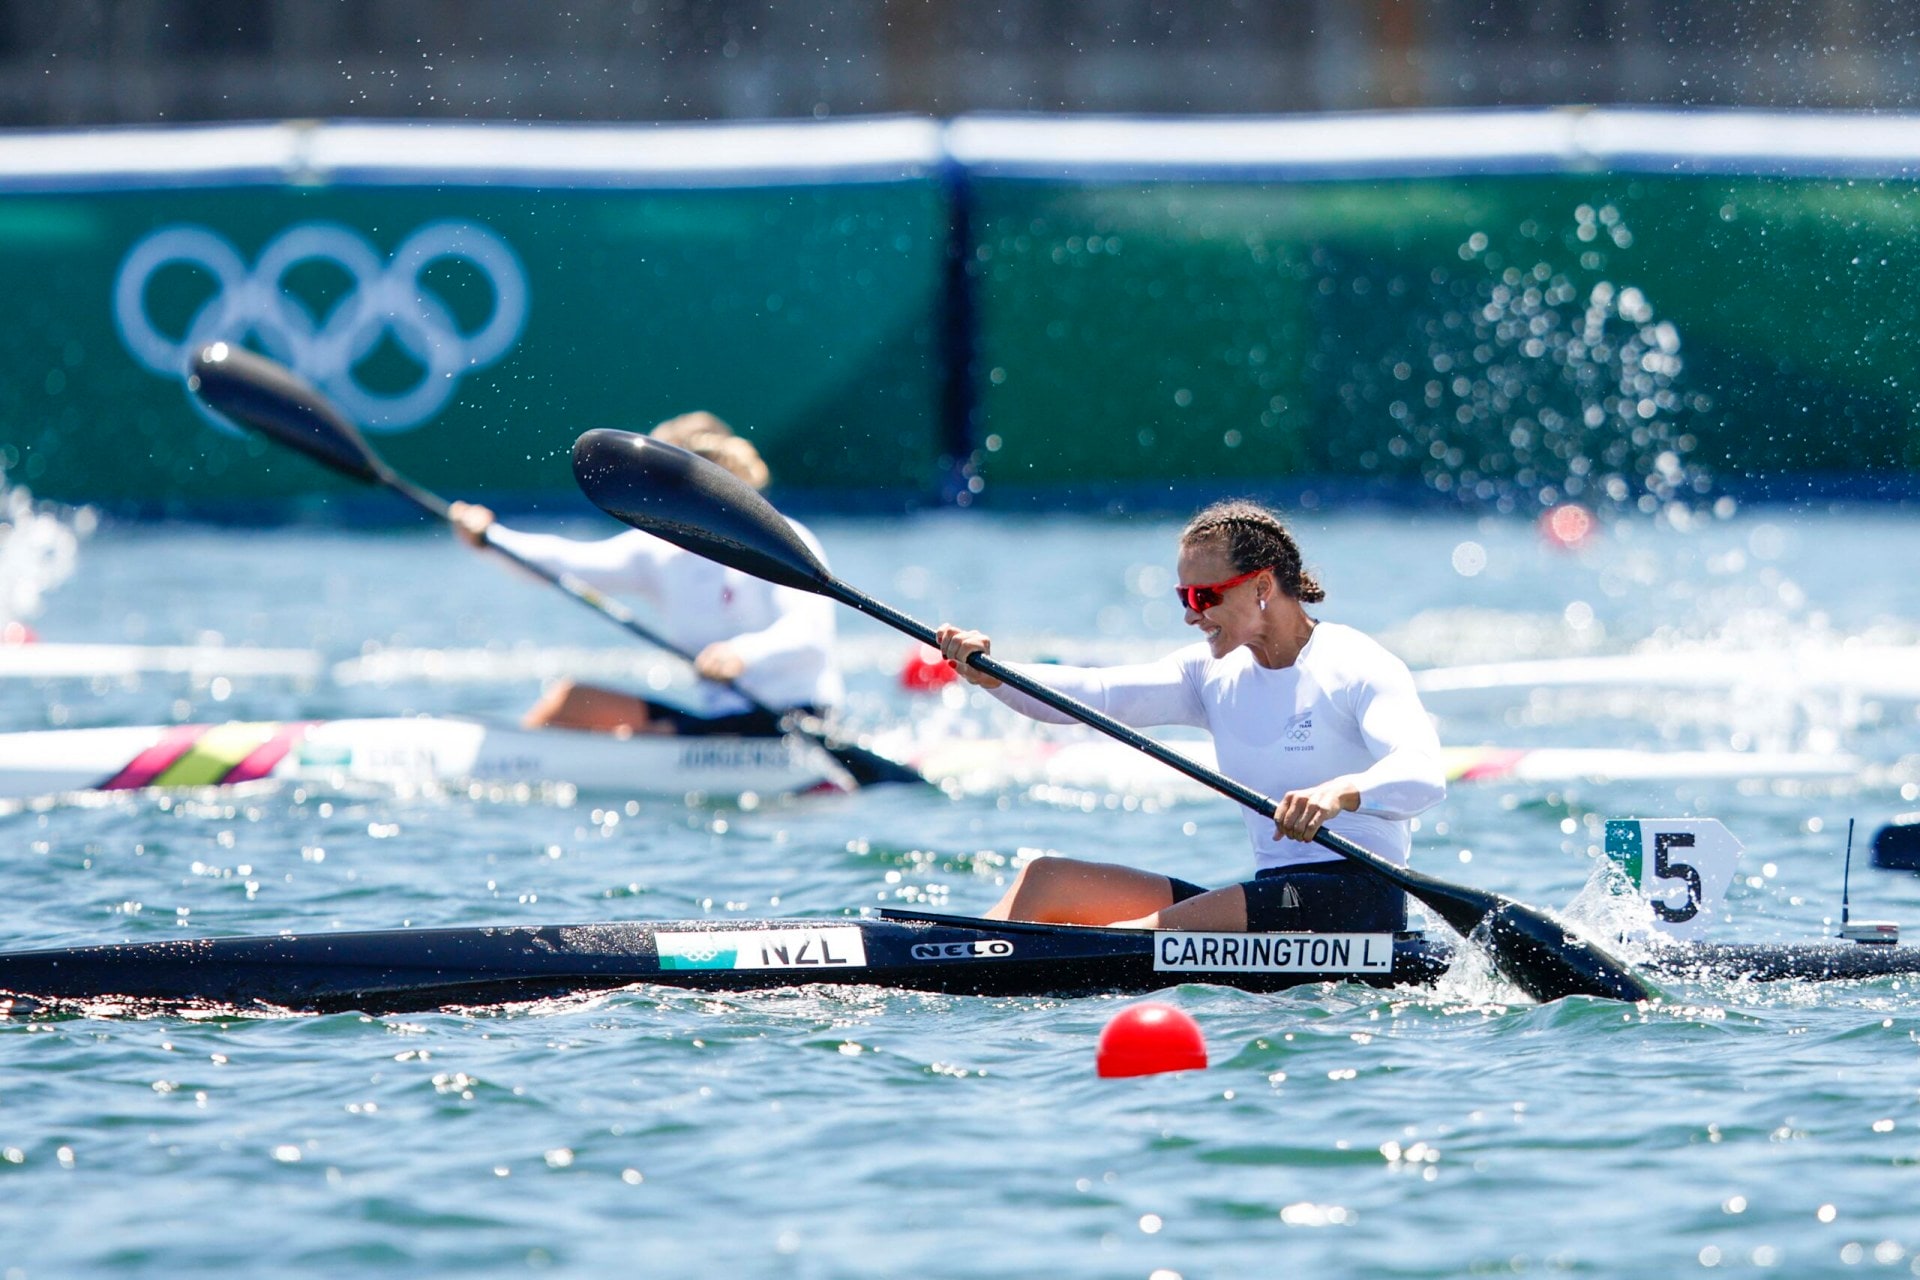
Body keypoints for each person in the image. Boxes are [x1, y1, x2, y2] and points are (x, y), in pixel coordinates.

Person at [934, 499, 1445, 933]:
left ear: (1262, 587)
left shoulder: (1356, 665)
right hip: (1273, 898)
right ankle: (944, 961)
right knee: (1047, 879)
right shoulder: (1209, 675)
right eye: (1184, 597)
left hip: (1357, 902)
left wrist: (1340, 793)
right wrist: (992, 673)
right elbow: (1095, 694)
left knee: (1131, 937)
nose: (1190, 614)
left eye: (1205, 596)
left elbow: (1423, 774)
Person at [449, 412, 844, 736]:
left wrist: (742, 655)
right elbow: (567, 564)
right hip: (724, 724)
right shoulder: (660, 552)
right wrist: (490, 537)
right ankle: (521, 759)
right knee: (573, 701)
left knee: (624, 729)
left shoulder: (781, 541)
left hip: (800, 722)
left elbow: (810, 634)